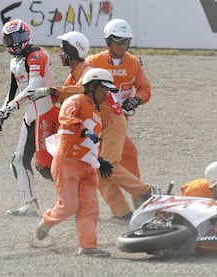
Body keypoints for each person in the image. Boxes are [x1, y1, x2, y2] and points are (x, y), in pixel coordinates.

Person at [29, 29, 154, 220]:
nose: (60, 53)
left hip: (112, 121)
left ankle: (144, 191)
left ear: (72, 51)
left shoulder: (87, 70)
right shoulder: (74, 75)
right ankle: (122, 211)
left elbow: (80, 89)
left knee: (110, 164)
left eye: (63, 49)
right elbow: (64, 101)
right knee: (99, 168)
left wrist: (50, 90)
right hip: (100, 126)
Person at [35, 68, 115, 257]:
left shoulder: (96, 113)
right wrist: (82, 129)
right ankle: (47, 221)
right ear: (93, 86)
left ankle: (88, 246)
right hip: (67, 162)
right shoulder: (77, 100)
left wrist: (99, 159)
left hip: (87, 166)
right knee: (69, 206)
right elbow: (65, 116)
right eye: (104, 90)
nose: (107, 94)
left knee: (90, 207)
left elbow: (91, 142)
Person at [85, 18, 153, 219]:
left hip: (117, 126)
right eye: (118, 41)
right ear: (108, 41)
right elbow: (77, 87)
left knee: (129, 155)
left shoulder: (133, 63)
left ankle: (140, 203)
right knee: (102, 167)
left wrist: (136, 100)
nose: (122, 45)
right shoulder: (92, 62)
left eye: (125, 41)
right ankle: (126, 206)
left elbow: (145, 88)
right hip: (95, 126)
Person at [0, 19, 59, 216]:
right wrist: (2, 111)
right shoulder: (15, 62)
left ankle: (78, 195)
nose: (15, 43)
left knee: (46, 166)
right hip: (32, 116)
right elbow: (13, 90)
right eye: (11, 40)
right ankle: (30, 204)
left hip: (46, 114)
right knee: (18, 160)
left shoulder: (37, 55)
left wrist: (11, 107)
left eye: (19, 38)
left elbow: (34, 87)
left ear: (28, 35)